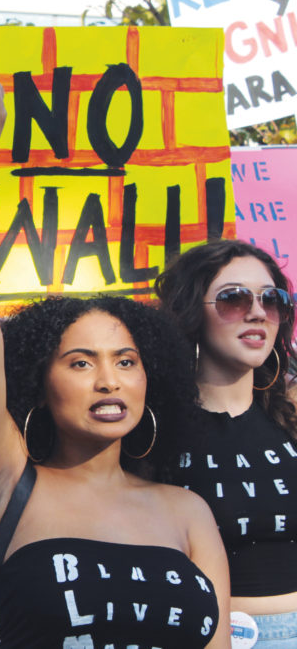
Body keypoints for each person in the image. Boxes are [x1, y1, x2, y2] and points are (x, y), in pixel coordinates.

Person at [0, 82, 230, 647]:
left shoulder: (188, 511)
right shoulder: (2, 486)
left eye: (126, 361)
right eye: (80, 363)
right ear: (39, 384)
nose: (109, 380)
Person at [156, 240, 297, 644]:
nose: (257, 312)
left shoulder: (293, 417)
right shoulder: (150, 431)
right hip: (202, 636)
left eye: (273, 300)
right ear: (190, 313)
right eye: (233, 299)